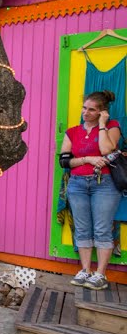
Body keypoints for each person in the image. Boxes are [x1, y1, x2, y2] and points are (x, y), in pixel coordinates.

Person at [59, 90, 122, 290]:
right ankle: (85, 270)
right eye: (84, 108)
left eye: (92, 110)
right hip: (77, 184)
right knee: (82, 228)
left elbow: (106, 150)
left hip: (104, 184)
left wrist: (103, 124)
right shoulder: (73, 131)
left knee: (103, 229)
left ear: (102, 112)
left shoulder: (112, 127)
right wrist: (87, 159)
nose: (85, 112)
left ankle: (100, 275)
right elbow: (64, 161)